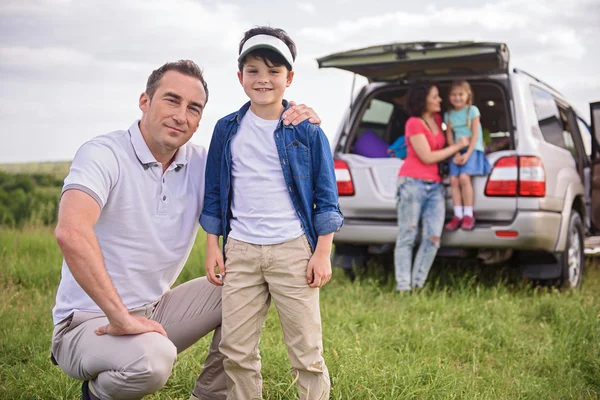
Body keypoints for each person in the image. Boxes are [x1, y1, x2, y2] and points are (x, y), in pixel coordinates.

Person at [51, 59, 322, 400]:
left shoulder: (201, 163)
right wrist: (120, 316)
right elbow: (70, 232)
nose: (181, 115)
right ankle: (96, 394)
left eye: (193, 108)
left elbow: (262, 164)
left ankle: (210, 395)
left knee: (248, 284)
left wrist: (296, 117)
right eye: (172, 100)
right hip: (90, 320)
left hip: (156, 310)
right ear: (145, 101)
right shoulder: (103, 154)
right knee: (153, 359)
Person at [200, 26, 343, 400]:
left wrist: (322, 252)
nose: (263, 79)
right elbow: (214, 193)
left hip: (293, 251)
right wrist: (212, 246)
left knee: (307, 352)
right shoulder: (226, 129)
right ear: (240, 77)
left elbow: (327, 198)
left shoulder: (307, 131)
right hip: (241, 252)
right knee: (236, 350)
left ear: (289, 78)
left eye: (273, 71)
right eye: (253, 71)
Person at [394, 82, 469, 292]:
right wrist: (457, 146)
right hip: (412, 183)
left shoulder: (437, 120)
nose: (440, 100)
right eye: (435, 96)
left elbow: (446, 143)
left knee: (433, 238)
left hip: (435, 185)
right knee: (407, 236)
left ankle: (417, 285)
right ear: (423, 100)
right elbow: (427, 157)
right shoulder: (413, 123)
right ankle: (403, 287)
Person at [444, 80, 492, 231]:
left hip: (473, 149)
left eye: (460, 94)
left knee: (464, 178)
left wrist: (467, 154)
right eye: (453, 95)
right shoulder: (449, 114)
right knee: (453, 180)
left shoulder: (473, 111)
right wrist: (456, 152)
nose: (457, 98)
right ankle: (457, 215)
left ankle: (468, 214)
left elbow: (476, 135)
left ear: (467, 96)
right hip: (457, 149)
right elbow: (450, 136)